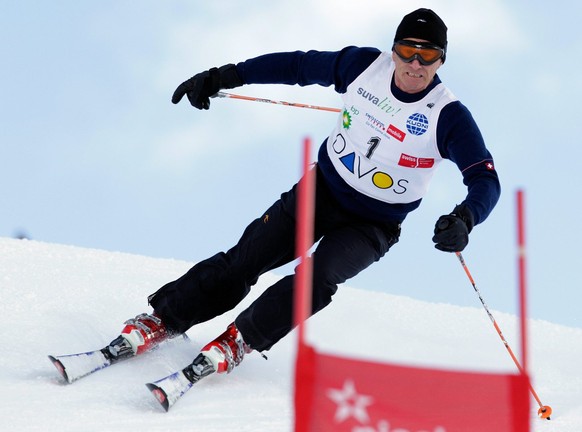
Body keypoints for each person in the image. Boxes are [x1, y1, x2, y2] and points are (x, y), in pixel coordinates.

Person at [110, 8, 500, 379]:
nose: (415, 63)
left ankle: (240, 340)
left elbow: (484, 179)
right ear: (393, 49)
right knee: (245, 261)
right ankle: (165, 319)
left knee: (319, 277)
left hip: (373, 224)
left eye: (427, 54)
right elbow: (297, 65)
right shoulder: (364, 67)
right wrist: (225, 76)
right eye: (407, 50)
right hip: (321, 191)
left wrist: (465, 218)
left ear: (441, 60)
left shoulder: (447, 115)